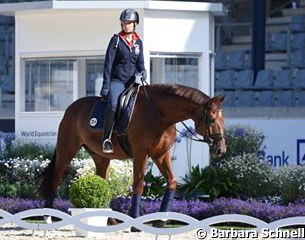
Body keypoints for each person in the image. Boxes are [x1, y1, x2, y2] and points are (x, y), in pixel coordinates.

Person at [100, 8, 147, 153]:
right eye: (124, 22)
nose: (126, 25)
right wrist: (106, 85)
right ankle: (106, 139)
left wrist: (143, 71)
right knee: (114, 105)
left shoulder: (138, 42)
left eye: (129, 22)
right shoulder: (116, 40)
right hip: (117, 81)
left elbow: (140, 63)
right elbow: (108, 63)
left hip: (132, 82)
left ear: (135, 24)